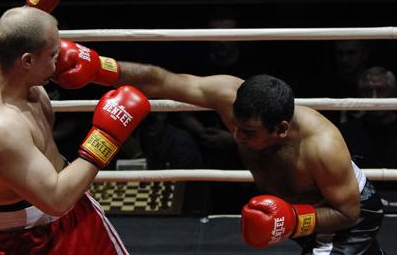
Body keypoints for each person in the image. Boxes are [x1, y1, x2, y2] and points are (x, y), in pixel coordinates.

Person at [115, 62, 385, 254]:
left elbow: (348, 213)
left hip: (348, 216)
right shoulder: (228, 96)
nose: (238, 137)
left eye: (248, 132)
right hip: (306, 210)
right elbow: (160, 79)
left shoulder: (322, 146)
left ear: (281, 129)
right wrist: (97, 66)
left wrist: (290, 219)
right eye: (235, 126)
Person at [0, 6, 150, 254]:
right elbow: (56, 200)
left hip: (67, 213)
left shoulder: (1, 61)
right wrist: (106, 138)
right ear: (27, 60)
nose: (60, 61)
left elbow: (18, 25)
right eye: (53, 55)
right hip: (32, 236)